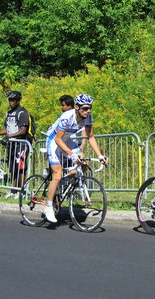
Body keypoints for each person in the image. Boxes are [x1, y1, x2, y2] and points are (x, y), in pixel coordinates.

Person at [43, 93, 108, 223]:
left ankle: (61, 182)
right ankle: (49, 207)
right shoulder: (67, 117)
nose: (88, 111)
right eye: (85, 108)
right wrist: (72, 155)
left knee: (84, 164)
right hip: (54, 141)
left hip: (67, 140)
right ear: (77, 107)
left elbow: (90, 137)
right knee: (57, 173)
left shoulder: (88, 117)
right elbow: (58, 140)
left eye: (90, 108)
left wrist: (100, 155)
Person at [0, 91, 30, 198]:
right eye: (9, 100)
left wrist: (9, 136)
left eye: (12, 100)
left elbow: (23, 130)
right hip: (11, 145)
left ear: (18, 101)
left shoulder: (22, 113)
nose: (10, 102)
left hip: (20, 144)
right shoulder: (8, 113)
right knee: (12, 168)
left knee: (20, 168)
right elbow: (8, 129)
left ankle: (21, 191)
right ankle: (13, 190)